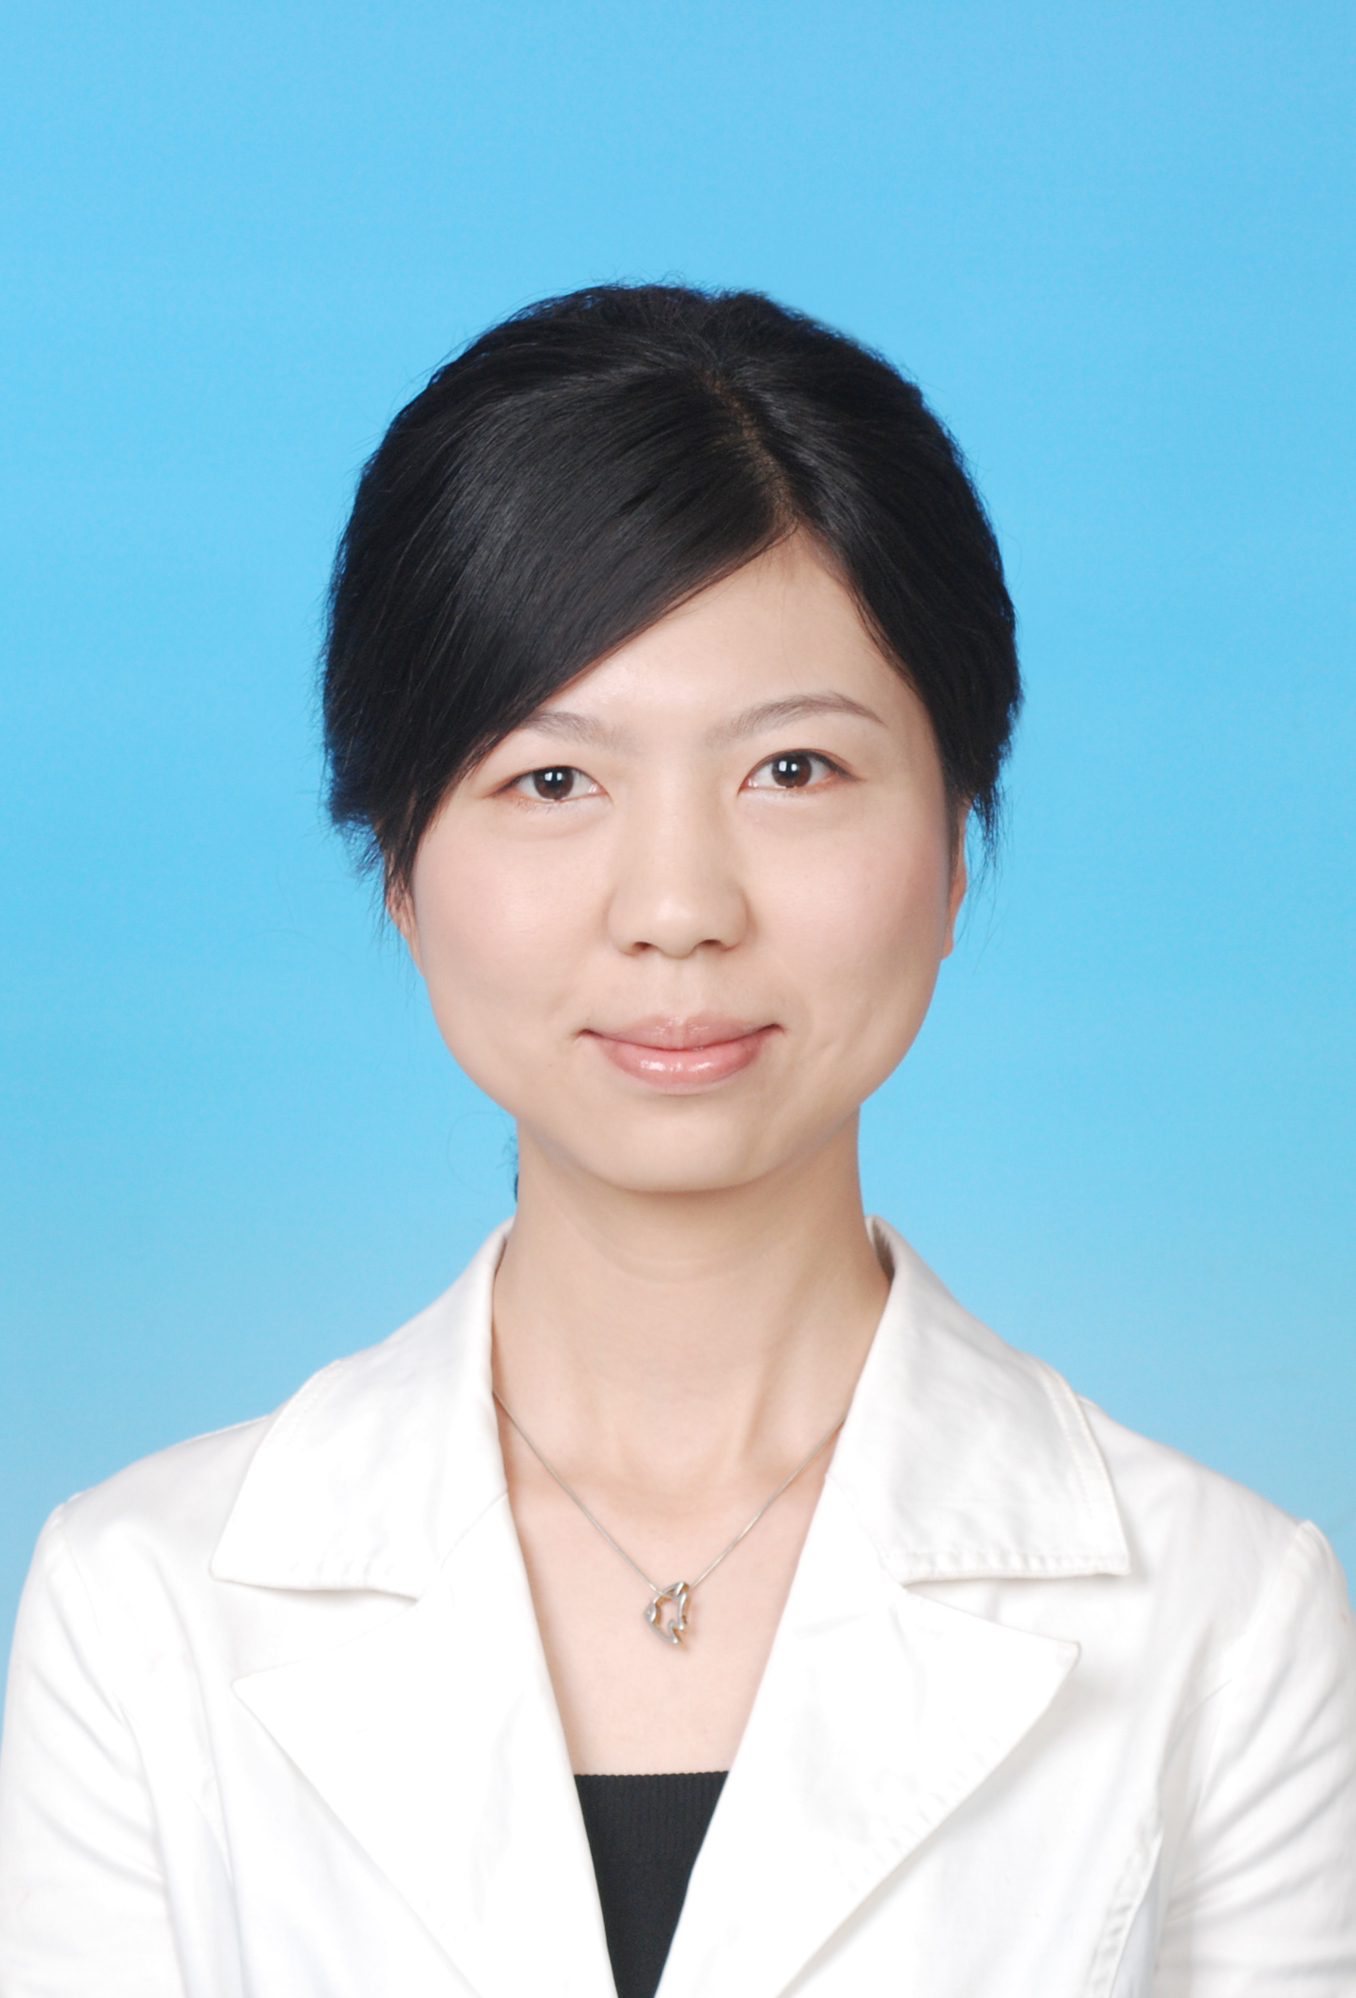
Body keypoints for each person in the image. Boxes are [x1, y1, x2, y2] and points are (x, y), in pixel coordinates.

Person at [0, 284, 1352, 1998]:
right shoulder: (143, 1612)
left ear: (956, 847)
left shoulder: (1227, 1620)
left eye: (793, 769)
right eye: (553, 780)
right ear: (399, 867)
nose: (677, 906)